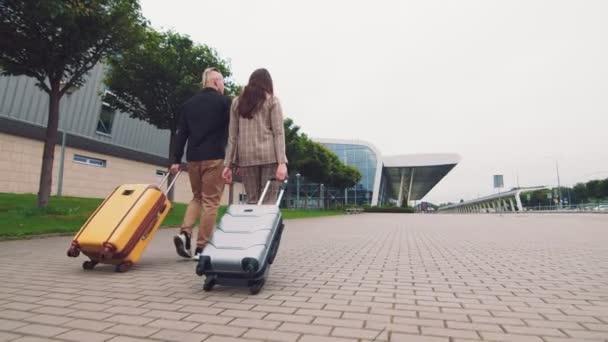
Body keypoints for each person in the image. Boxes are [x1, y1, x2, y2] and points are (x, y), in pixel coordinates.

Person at [169, 67, 232, 260]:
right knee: (211, 201)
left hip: (193, 158)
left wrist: (175, 160)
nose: (223, 86)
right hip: (214, 157)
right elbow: (233, 130)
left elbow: (182, 134)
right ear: (216, 82)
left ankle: (185, 232)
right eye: (222, 82)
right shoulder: (224, 102)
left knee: (197, 197)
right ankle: (201, 248)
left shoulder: (189, 104)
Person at [222, 68, 288, 204]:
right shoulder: (272, 101)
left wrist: (228, 164)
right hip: (269, 156)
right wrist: (282, 162)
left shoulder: (237, 102)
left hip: (246, 157)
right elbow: (278, 133)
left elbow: (233, 136)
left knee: (252, 201)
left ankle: (250, 225)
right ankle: (265, 226)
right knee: (268, 202)